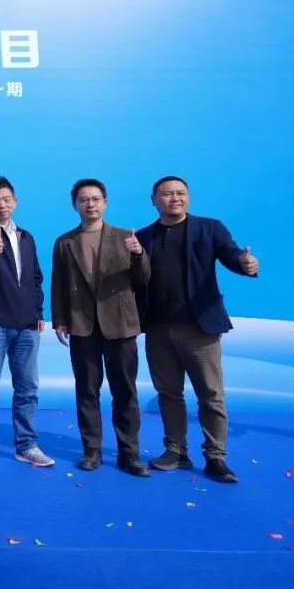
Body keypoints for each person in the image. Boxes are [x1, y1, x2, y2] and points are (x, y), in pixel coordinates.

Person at [136, 176, 259, 484]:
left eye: (181, 193)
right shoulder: (143, 236)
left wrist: (245, 263)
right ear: (154, 200)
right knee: (168, 394)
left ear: (188, 197)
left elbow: (231, 255)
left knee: (210, 395)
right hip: (158, 330)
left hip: (199, 329)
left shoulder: (209, 228)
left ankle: (215, 456)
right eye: (167, 194)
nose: (174, 198)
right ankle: (176, 451)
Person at [51, 178, 151, 477]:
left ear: (105, 202)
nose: (90, 204)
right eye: (83, 200)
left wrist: (138, 255)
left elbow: (143, 279)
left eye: (95, 199)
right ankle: (91, 450)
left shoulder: (125, 238)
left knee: (125, 391)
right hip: (82, 325)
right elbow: (58, 284)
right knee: (87, 390)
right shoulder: (65, 242)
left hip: (119, 324)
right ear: (74, 205)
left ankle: (129, 453)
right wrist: (60, 319)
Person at [0, 176, 54, 468]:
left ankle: (26, 445)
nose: (1, 205)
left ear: (15, 202)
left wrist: (38, 313)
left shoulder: (26, 237)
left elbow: (36, 278)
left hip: (27, 324)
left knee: (27, 388)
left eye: (6, 199)